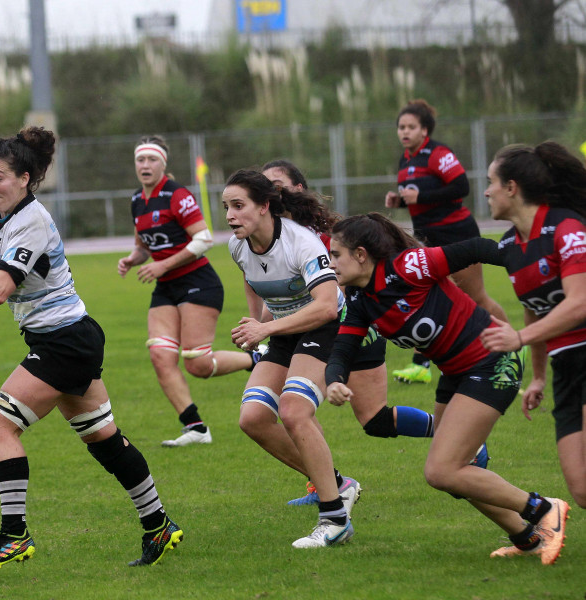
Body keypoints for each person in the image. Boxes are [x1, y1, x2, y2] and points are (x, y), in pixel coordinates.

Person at [0, 127, 182, 573]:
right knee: (104, 440)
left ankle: (14, 536)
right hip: (64, 339)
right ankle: (159, 525)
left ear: (25, 178)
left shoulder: (33, 221)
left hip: (65, 342)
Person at [325, 213, 569, 565]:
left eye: (336, 254)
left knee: (442, 471)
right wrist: (334, 380)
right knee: (456, 472)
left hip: (492, 362)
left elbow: (475, 248)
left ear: (361, 254)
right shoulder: (362, 300)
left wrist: (531, 266)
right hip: (456, 374)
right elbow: (343, 350)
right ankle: (528, 537)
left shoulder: (408, 266)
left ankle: (544, 509)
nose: (331, 262)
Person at [261, 160, 440, 509]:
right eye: (264, 185)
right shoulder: (274, 241)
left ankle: (454, 433)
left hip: (355, 326)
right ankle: (328, 486)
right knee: (298, 410)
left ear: (298, 189)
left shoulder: (326, 237)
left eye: (276, 184)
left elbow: (356, 285)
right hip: (319, 332)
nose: (269, 192)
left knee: (372, 418)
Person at [448, 141, 585, 558]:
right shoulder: (511, 248)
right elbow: (533, 312)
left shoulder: (567, 228)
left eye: (490, 182)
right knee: (580, 487)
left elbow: (579, 302)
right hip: (566, 367)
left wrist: (520, 341)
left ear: (511, 188)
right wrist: (539, 376)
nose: (484, 191)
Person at [223, 168, 358, 548]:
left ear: (265, 206)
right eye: (226, 207)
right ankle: (339, 484)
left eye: (239, 206)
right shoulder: (238, 246)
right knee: (252, 418)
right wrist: (257, 325)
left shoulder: (303, 242)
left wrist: (264, 330)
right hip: (284, 331)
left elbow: (328, 307)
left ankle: (334, 518)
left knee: (295, 411)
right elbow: (263, 290)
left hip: (327, 327)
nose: (231, 215)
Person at [117, 135, 259, 447]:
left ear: (162, 164)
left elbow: (204, 238)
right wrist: (133, 259)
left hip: (198, 282)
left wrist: (162, 265)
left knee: (197, 363)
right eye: (140, 159)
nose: (145, 165)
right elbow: (144, 246)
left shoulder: (176, 194)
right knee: (160, 356)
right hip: (166, 287)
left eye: (151, 159)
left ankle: (257, 361)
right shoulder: (136, 200)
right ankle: (195, 427)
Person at [385, 99, 508, 384]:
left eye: (411, 127)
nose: (405, 132)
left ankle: (513, 346)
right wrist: (400, 201)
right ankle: (422, 365)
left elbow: (461, 187)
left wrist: (421, 197)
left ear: (424, 129)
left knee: (477, 298)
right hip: (428, 238)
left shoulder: (437, 153)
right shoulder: (406, 159)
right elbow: (419, 197)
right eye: (401, 127)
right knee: (428, 297)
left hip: (457, 233)